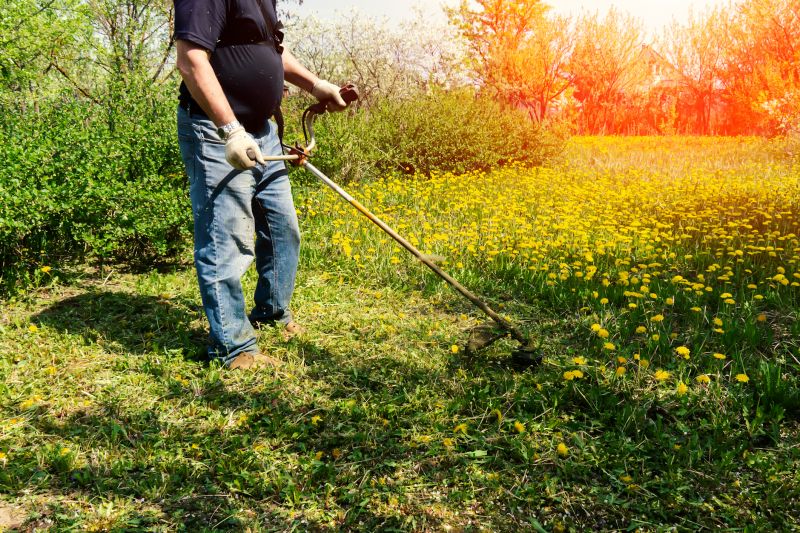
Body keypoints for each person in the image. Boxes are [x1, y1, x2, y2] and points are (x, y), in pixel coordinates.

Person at [174, 0, 349, 370]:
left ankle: (271, 313)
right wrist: (230, 130)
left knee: (283, 229)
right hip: (216, 131)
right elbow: (191, 60)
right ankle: (232, 346)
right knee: (226, 239)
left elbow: (273, 52)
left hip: (263, 131)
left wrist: (316, 86)